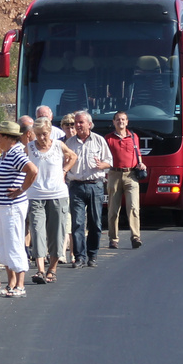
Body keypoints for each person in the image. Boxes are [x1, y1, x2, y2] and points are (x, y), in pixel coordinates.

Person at [0, 121, 38, 297]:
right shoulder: (6, 154)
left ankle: (20, 285)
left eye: (0, 136)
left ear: (9, 138)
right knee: (4, 245)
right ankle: (11, 284)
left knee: (14, 243)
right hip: (1, 206)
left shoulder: (16, 153)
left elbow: (32, 170)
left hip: (12, 206)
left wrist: (21, 189)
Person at [25, 122, 76, 283]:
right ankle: (40, 270)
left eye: (44, 134)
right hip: (35, 195)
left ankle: (52, 269)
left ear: (49, 132)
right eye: (38, 134)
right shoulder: (29, 147)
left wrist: (64, 170)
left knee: (56, 232)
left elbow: (73, 156)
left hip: (57, 194)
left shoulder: (59, 145)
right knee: (37, 230)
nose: (41, 138)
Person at [63, 110, 110, 267]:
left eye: (81, 122)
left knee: (95, 222)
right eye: (75, 122)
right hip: (76, 185)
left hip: (95, 185)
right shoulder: (69, 143)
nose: (77, 125)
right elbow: (63, 163)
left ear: (89, 124)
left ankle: (92, 255)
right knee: (77, 223)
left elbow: (109, 162)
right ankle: (79, 257)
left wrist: (101, 165)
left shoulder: (99, 141)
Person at [104, 111, 145, 250]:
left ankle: (135, 237)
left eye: (123, 119)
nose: (120, 122)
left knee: (133, 207)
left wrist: (141, 164)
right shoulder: (108, 139)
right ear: (113, 122)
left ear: (127, 122)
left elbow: (138, 153)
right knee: (113, 209)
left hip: (131, 175)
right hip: (114, 174)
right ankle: (113, 239)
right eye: (118, 119)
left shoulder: (133, 137)